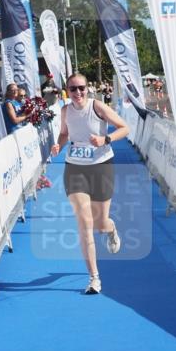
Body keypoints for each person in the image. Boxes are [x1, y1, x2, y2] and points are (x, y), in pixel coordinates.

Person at [50, 73, 130, 295]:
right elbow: (65, 134)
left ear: (88, 88)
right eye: (73, 89)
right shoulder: (66, 111)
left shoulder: (98, 107)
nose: (78, 93)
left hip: (101, 166)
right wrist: (58, 145)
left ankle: (111, 229)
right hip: (74, 168)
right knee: (85, 223)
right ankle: (94, 278)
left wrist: (106, 139)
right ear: (67, 91)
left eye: (81, 88)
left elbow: (125, 127)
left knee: (100, 224)